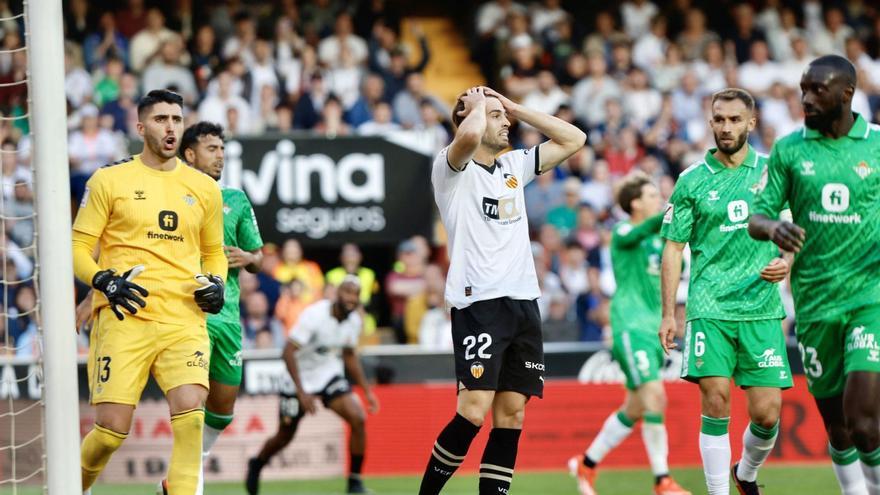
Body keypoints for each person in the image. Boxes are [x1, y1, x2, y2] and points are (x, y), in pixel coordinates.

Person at [419, 85, 585, 495]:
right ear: (468, 117)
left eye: (503, 116)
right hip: (480, 303)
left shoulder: (515, 165)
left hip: (524, 303)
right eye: (496, 116)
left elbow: (574, 139)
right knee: (473, 412)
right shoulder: (450, 169)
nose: (506, 122)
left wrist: (512, 106)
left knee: (511, 416)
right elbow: (470, 137)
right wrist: (477, 106)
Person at [72, 90, 226, 495]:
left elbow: (213, 253)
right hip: (125, 315)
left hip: (183, 317)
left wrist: (218, 283)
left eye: (176, 118)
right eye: (160, 119)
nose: (171, 126)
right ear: (140, 127)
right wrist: (104, 281)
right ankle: (74, 488)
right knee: (109, 431)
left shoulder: (204, 188)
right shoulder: (109, 180)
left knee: (192, 416)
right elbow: (76, 248)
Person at [749, 55, 880, 495]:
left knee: (864, 422)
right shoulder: (789, 148)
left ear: (846, 93)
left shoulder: (876, 145)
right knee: (839, 428)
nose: (805, 98)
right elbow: (758, 215)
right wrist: (772, 226)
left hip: (869, 298)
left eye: (816, 90)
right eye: (803, 88)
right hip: (814, 302)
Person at [659, 88, 793, 495]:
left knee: (767, 415)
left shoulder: (774, 172)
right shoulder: (691, 180)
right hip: (709, 306)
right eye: (719, 119)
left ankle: (746, 473)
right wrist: (668, 313)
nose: (726, 127)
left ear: (751, 123)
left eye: (735, 119)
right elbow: (673, 248)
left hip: (762, 308)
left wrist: (787, 261)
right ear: (710, 122)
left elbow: (791, 232)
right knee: (715, 399)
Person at [570, 173, 690, 495]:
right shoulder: (623, 231)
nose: (657, 199)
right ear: (635, 202)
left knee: (636, 406)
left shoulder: (660, 239)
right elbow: (640, 229)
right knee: (656, 398)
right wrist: (673, 208)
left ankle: (587, 463)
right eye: (652, 195)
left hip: (655, 328)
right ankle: (662, 480)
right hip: (630, 327)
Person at [169, 121, 263, 494]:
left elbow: (258, 255)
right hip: (189, 316)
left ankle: (185, 474)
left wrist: (248, 256)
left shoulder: (236, 199)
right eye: (211, 148)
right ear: (189, 154)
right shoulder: (171, 194)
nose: (220, 155)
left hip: (228, 317)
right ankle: (188, 486)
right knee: (192, 408)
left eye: (222, 148)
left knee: (221, 411)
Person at [245, 276, 379, 495]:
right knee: (284, 436)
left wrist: (366, 391)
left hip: (328, 375)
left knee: (358, 418)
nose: (351, 298)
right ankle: (257, 463)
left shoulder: (354, 320)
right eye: (347, 292)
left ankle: (354, 482)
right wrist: (301, 392)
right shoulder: (315, 315)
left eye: (355, 294)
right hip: (298, 378)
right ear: (336, 293)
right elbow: (288, 352)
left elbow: (348, 355)